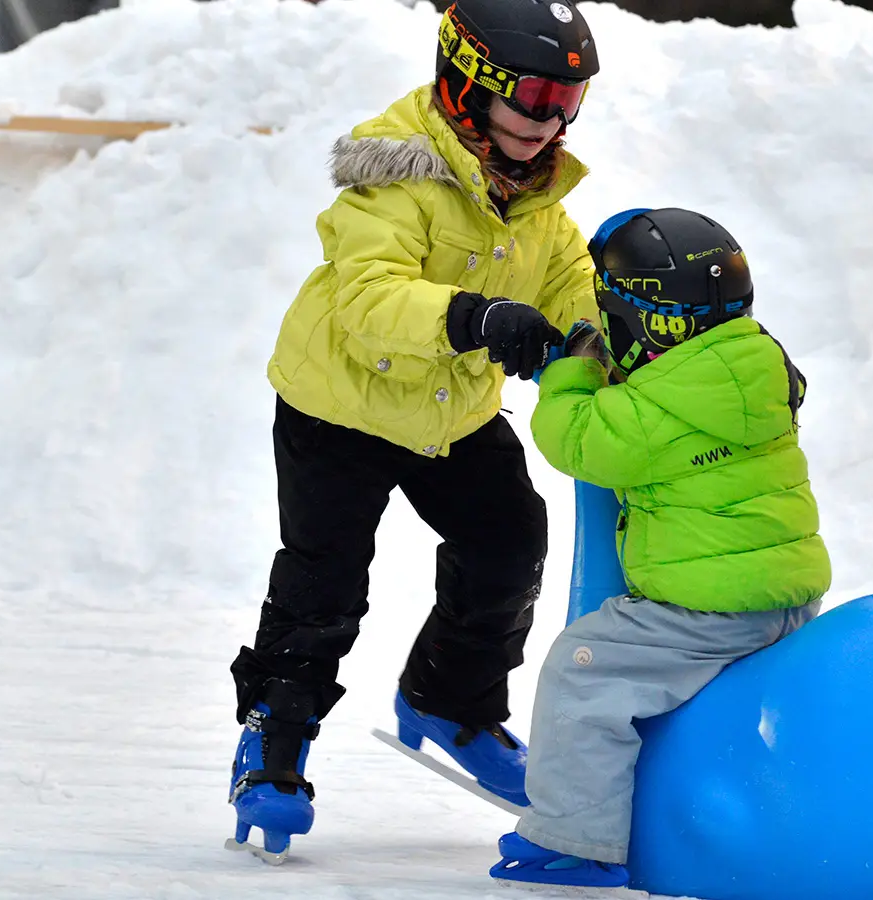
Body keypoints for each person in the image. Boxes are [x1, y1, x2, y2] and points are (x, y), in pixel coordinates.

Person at [225, 0, 602, 861]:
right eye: (536, 96)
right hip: (342, 405)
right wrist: (475, 319)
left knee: (509, 544)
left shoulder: (537, 189)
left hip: (448, 408)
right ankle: (272, 745)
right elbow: (366, 296)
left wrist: (612, 330)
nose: (552, 122)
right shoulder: (397, 168)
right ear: (471, 83)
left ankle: (452, 701)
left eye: (569, 100)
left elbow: (570, 277)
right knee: (324, 585)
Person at [489, 208, 832, 887]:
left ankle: (576, 840)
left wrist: (572, 372)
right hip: (788, 602)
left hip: (704, 613)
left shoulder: (651, 409)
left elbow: (575, 439)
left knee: (586, 671)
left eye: (613, 319)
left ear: (649, 326)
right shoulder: (759, 366)